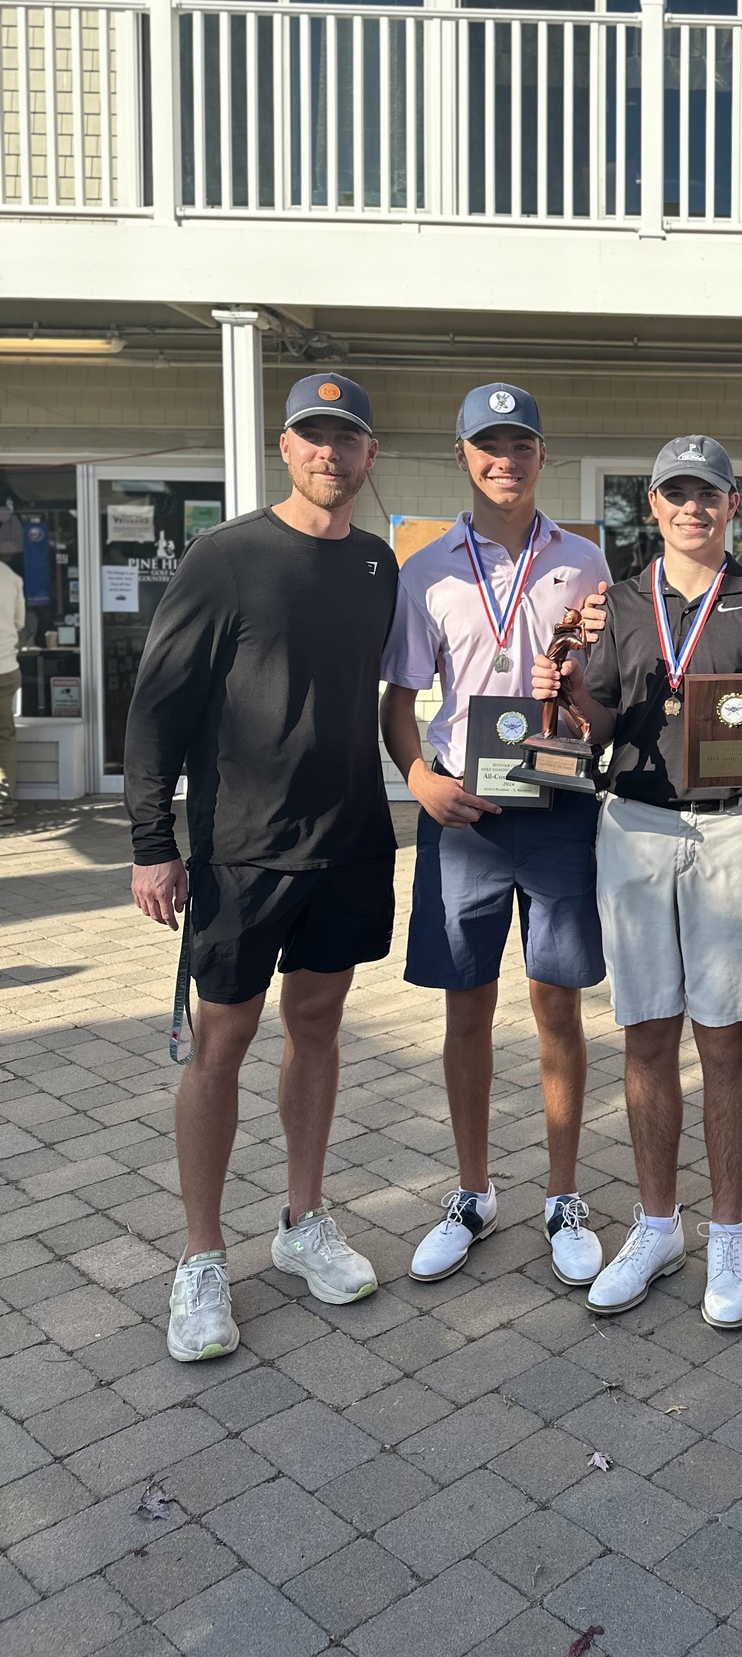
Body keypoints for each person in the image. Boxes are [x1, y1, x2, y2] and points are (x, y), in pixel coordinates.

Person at [126, 375, 398, 1362]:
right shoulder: (226, 556)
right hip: (241, 851)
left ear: (370, 456)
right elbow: (157, 708)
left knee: (317, 1027)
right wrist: (151, 843)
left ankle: (302, 1220)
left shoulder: (377, 563)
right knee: (221, 1045)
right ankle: (201, 1257)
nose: (331, 452)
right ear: (286, 447)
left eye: (348, 438)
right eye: (314, 436)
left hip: (352, 842)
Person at [534, 435, 742, 1329]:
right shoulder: (618, 603)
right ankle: (659, 1226)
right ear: (652, 507)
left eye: (710, 495)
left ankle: (726, 1230)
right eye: (676, 495)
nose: (693, 509)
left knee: (724, 1037)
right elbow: (602, 724)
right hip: (637, 822)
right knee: (648, 1032)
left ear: (734, 508)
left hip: (734, 824)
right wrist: (570, 693)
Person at [380, 382, 612, 1287]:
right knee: (465, 1003)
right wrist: (418, 781)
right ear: (463, 455)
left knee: (557, 1003)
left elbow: (602, 696)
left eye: (520, 445)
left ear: (541, 456)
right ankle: (473, 1193)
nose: (503, 460)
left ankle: (561, 1195)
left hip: (556, 804)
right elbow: (401, 702)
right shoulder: (426, 569)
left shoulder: (587, 563)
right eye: (487, 444)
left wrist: (587, 683)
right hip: (463, 812)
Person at [0, 553, 23, 823]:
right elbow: (19, 622)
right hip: (5, 667)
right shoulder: (10, 577)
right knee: (5, 735)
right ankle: (4, 805)